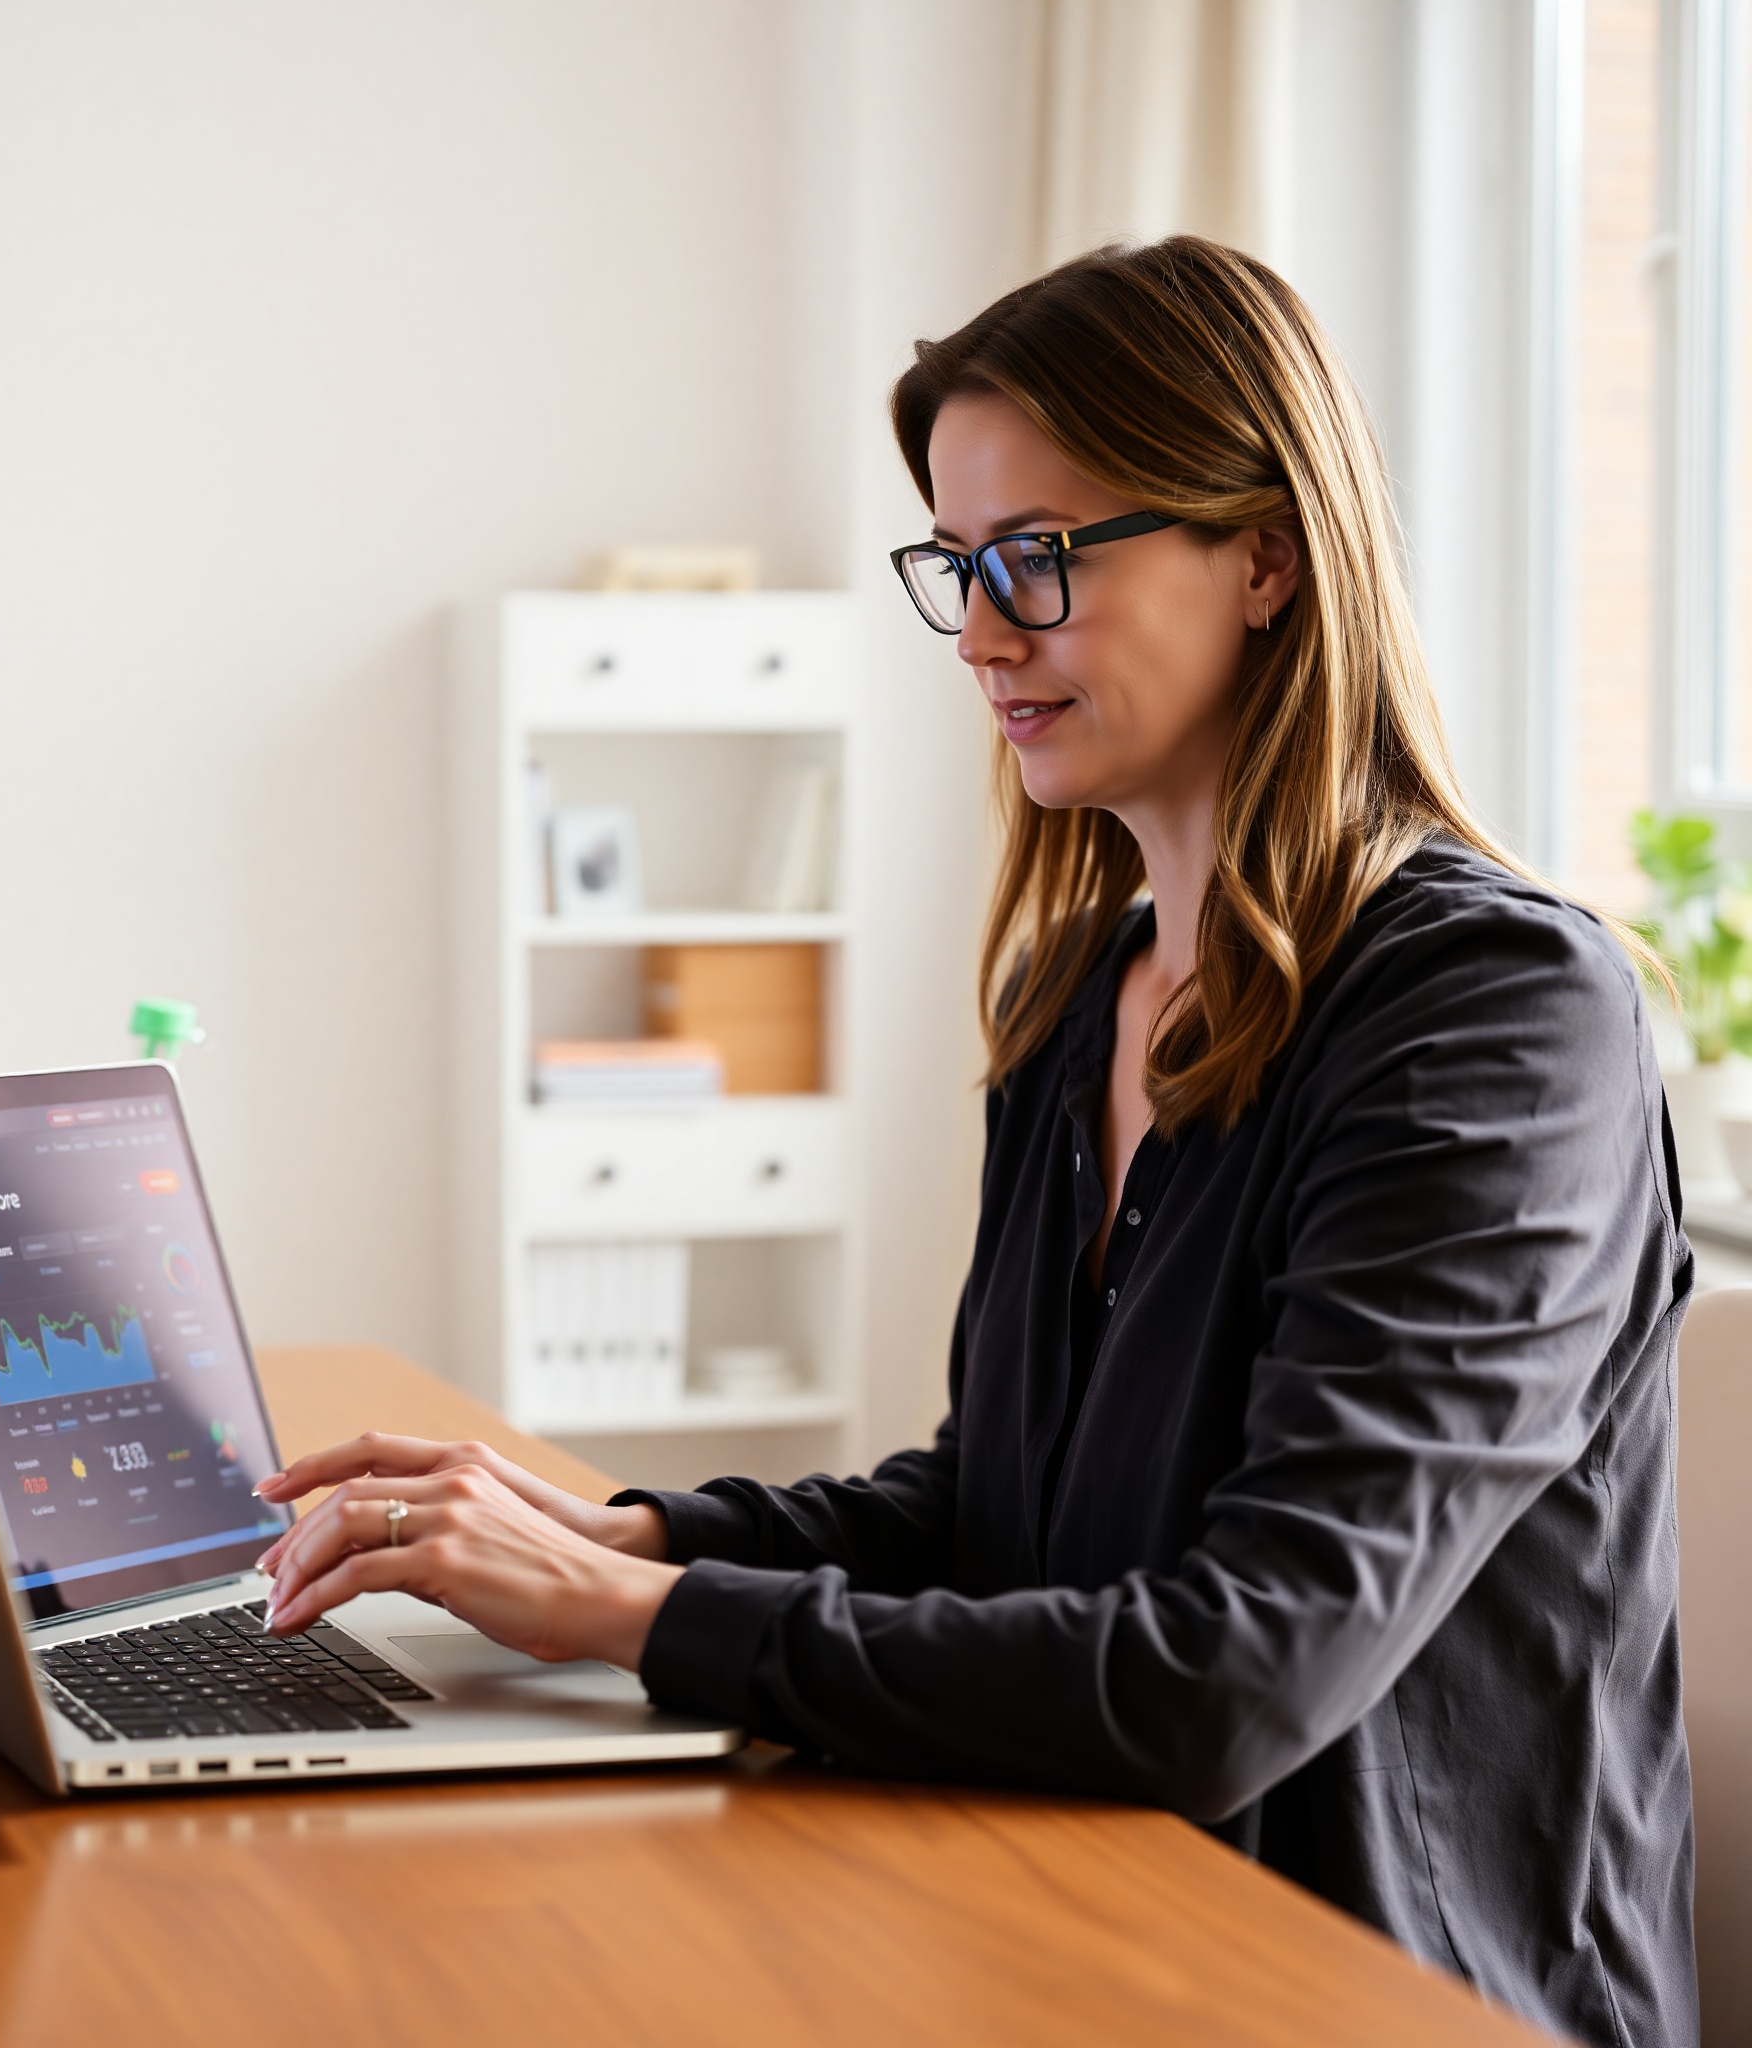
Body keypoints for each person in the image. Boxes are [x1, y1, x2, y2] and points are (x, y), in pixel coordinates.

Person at [253, 238, 1696, 2046]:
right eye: (958, 568)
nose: (988, 635)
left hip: (1376, 1991)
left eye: (1040, 560)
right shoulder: (1082, 993)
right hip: (1081, 1918)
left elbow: (1232, 1675)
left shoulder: (1495, 1017)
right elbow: (998, 1511)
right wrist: (620, 1533)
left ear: (1265, 556)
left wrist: (636, 1615)